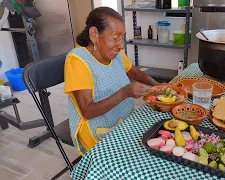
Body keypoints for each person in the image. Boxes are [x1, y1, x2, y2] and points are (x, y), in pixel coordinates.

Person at [64, 7, 159, 155]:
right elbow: (87, 111)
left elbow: (135, 72)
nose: (121, 45)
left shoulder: (116, 54)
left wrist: (158, 86)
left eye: (122, 38)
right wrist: (125, 92)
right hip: (97, 130)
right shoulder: (78, 61)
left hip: (124, 119)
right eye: (115, 38)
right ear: (94, 34)